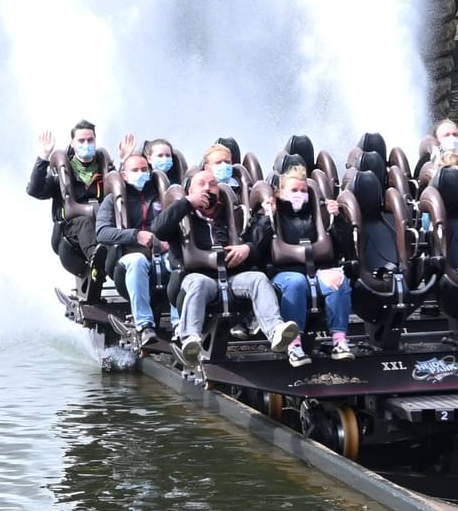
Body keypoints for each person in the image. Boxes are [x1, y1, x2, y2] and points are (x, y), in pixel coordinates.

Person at [154, 168, 298, 367]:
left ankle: (276, 331)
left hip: (233, 278)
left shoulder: (235, 215)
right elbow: (159, 230)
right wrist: (187, 203)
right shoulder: (181, 218)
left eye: (212, 184)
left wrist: (247, 248)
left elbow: (257, 244)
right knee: (197, 284)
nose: (208, 189)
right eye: (201, 185)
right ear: (191, 190)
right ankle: (190, 340)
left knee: (258, 279)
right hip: (199, 276)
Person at [249, 167, 354, 365]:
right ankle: (294, 344)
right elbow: (257, 246)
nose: (299, 195)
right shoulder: (272, 214)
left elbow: (344, 246)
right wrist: (265, 217)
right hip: (285, 272)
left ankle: (339, 341)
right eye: (294, 190)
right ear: (280, 193)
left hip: (320, 269)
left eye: (303, 191)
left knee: (338, 281)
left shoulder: (319, 213)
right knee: (296, 283)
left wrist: (337, 218)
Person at [27, 120, 109, 294]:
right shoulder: (62, 172)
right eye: (81, 141)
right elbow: (35, 190)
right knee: (85, 221)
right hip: (70, 240)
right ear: (73, 142)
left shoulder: (105, 170)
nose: (86, 144)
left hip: (104, 229)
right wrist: (43, 157)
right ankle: (97, 260)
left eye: (90, 140)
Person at [95, 150, 164, 346]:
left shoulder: (159, 195)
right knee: (137, 261)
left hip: (160, 254)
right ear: (124, 175)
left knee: (179, 263)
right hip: (127, 258)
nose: (141, 173)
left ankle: (181, 328)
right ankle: (144, 325)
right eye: (135, 170)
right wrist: (135, 235)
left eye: (144, 169)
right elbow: (102, 232)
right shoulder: (113, 199)